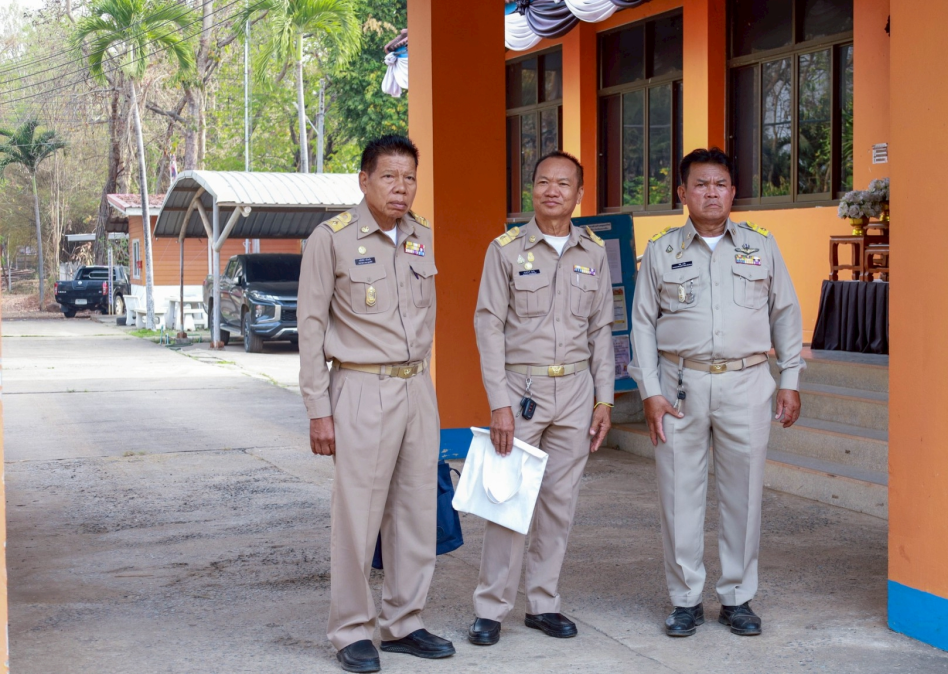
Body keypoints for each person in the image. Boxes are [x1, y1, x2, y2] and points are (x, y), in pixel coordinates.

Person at [628, 147, 804, 639]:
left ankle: (737, 598)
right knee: (679, 494)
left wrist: (790, 380)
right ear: (682, 194)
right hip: (679, 385)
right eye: (701, 184)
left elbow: (786, 313)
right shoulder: (661, 250)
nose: (711, 193)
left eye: (720, 184)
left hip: (747, 382)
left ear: (733, 192)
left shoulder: (761, 245)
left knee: (743, 495)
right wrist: (650, 391)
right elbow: (642, 324)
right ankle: (685, 600)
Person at [298, 135, 454, 673]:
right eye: (389, 176)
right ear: (364, 180)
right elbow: (310, 328)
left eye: (409, 177)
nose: (400, 187)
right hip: (362, 387)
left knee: (416, 510)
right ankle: (350, 629)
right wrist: (318, 408)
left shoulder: (421, 236)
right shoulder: (331, 239)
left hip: (417, 388)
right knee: (358, 516)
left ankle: (404, 621)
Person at [469, 150, 615, 646]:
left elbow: (601, 330)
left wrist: (604, 399)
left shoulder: (594, 252)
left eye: (564, 183)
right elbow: (488, 326)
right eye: (543, 182)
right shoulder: (505, 249)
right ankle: (491, 607)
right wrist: (499, 403)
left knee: (559, 503)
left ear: (579, 194)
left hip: (576, 390)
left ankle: (543, 603)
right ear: (531, 189)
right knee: (506, 498)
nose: (553, 191)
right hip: (520, 389)